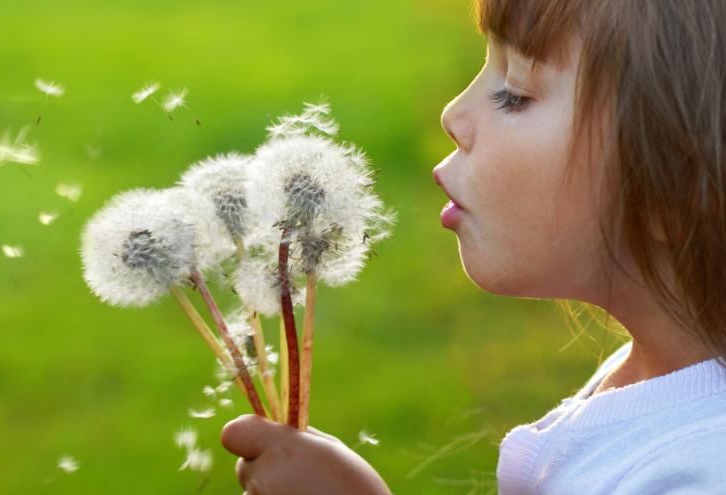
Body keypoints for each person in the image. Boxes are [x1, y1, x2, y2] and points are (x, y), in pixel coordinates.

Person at [220, 1, 726, 493]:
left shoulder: (696, 472)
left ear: (676, 189)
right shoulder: (652, 379)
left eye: (515, 92)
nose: (452, 114)